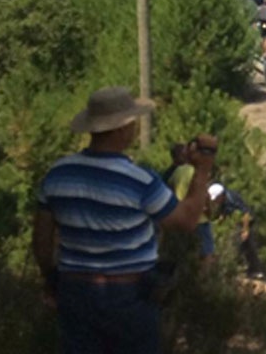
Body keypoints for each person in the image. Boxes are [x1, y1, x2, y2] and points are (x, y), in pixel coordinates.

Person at [33, 87, 216, 354]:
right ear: (121, 129)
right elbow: (187, 221)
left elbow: (41, 241)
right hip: (129, 295)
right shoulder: (139, 179)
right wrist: (202, 170)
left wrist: (50, 279)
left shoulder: (57, 174)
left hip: (75, 291)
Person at [208, 183, 265, 279]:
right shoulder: (223, 199)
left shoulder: (232, 199)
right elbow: (223, 212)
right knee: (237, 243)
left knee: (247, 244)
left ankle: (255, 270)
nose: (215, 201)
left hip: (246, 221)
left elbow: (246, 213)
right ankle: (239, 268)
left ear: (221, 195)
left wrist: (245, 229)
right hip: (235, 220)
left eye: (216, 198)